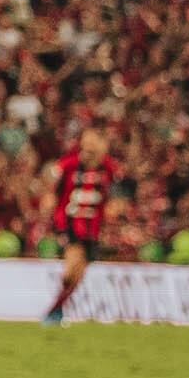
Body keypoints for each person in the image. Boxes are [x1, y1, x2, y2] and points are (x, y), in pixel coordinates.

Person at [42, 123, 119, 326]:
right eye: (87, 141)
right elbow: (50, 179)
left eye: (95, 142)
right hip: (69, 223)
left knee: (77, 276)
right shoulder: (69, 164)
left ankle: (55, 311)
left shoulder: (109, 167)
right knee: (72, 268)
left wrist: (114, 207)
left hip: (92, 230)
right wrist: (49, 196)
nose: (90, 146)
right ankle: (53, 312)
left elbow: (115, 193)